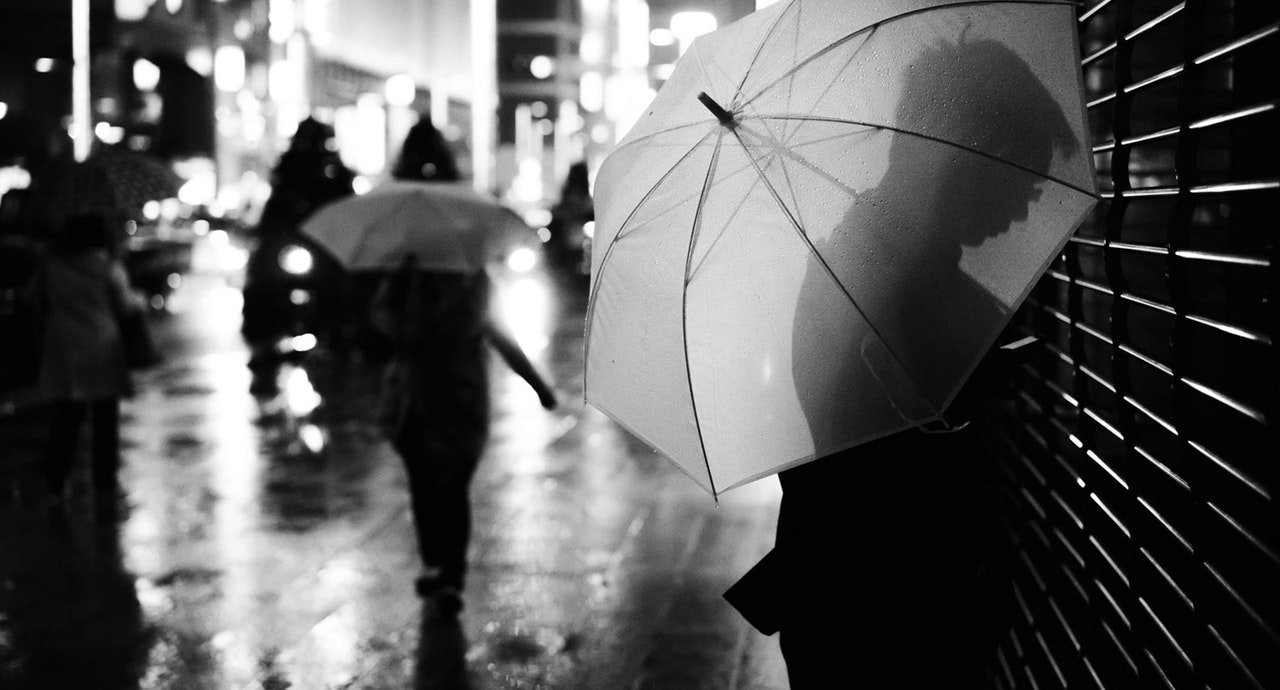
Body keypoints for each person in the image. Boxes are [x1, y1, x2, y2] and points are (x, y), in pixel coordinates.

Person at [724, 36, 1082, 688]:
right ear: (967, 158)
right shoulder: (885, 285)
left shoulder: (874, 258)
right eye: (1022, 175)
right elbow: (896, 489)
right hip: (883, 629)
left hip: (859, 610)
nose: (1028, 203)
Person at [370, 254, 558, 616]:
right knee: (423, 486)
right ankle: (434, 563)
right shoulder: (406, 272)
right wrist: (404, 328)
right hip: (413, 400)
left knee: (452, 488)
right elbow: (379, 315)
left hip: (459, 399)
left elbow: (501, 335)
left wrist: (538, 385)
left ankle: (451, 577)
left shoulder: (476, 277)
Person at [24, 213, 142, 505]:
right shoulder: (108, 267)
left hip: (63, 348)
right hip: (102, 349)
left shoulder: (51, 266)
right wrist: (138, 300)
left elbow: (30, 298)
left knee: (65, 420)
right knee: (105, 422)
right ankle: (104, 483)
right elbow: (125, 306)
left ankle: (56, 483)